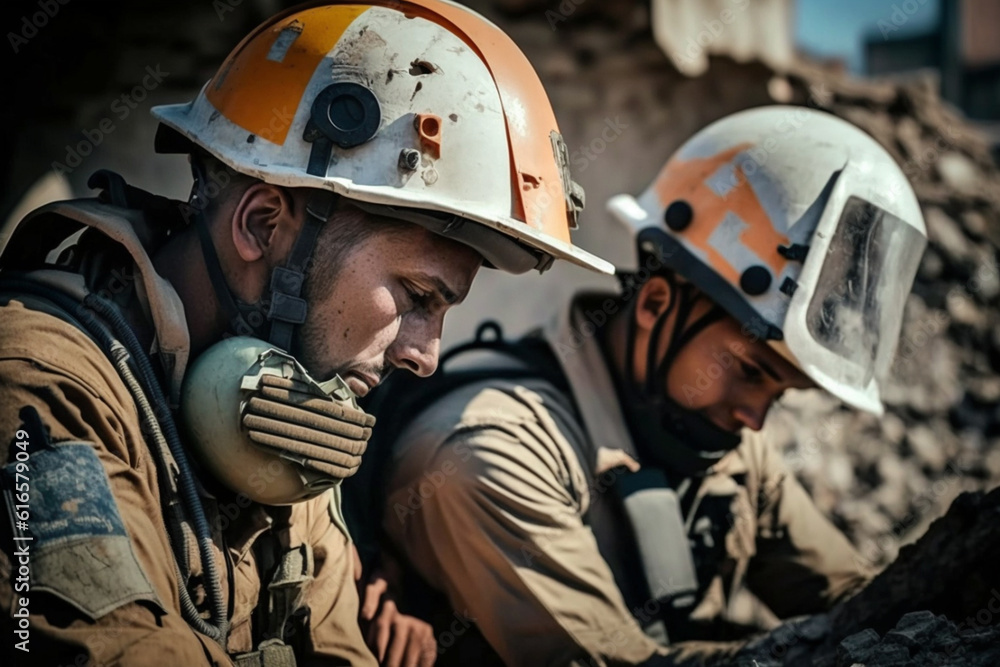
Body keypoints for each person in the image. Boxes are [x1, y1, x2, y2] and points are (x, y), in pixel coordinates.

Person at [0, 2, 611, 666]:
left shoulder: (279, 418)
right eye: (416, 296)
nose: (425, 353)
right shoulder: (38, 382)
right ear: (263, 224)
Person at [377, 106, 929, 666]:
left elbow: (864, 602)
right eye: (750, 371)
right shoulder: (488, 453)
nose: (756, 418)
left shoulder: (722, 444)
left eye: (781, 392)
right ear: (658, 305)